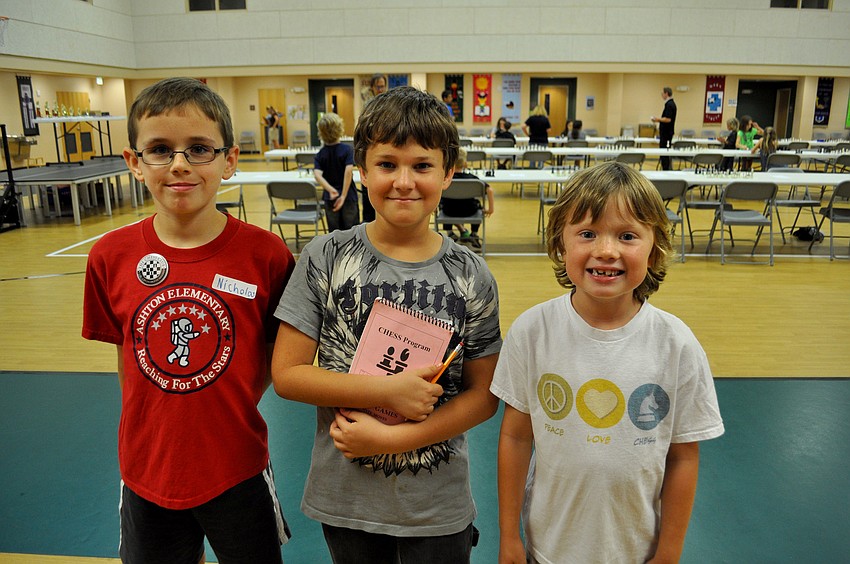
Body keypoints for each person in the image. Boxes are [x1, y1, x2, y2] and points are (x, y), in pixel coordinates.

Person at [271, 86, 502, 564]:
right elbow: (287, 375)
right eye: (387, 164)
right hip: (347, 497)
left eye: (422, 165)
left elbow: (483, 396)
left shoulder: (471, 274)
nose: (404, 181)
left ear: (449, 172)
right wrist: (386, 391)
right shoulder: (325, 256)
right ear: (361, 171)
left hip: (437, 504)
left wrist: (395, 436)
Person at [82, 77, 295, 562]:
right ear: (134, 162)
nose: (179, 164)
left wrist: (219, 415)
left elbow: (269, 359)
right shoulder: (109, 257)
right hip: (146, 469)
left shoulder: (267, 255)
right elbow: (128, 360)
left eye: (199, 148)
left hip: (237, 467)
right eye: (160, 149)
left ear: (229, 159)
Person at [491, 161, 724, 564]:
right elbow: (515, 437)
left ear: (654, 250)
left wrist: (669, 551)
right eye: (587, 233)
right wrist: (509, 535)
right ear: (561, 243)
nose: (606, 250)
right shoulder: (532, 332)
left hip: (636, 550)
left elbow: (684, 457)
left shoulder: (678, 346)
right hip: (548, 547)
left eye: (628, 235)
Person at [441, 147, 495, 249]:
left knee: (444, 202)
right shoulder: (473, 179)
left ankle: (450, 232)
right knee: (477, 204)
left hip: (449, 212)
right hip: (470, 211)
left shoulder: (445, 179)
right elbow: (490, 190)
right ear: (465, 164)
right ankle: (474, 233)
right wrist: (490, 209)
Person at [314, 112, 359, 231]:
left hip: (330, 198)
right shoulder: (347, 150)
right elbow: (348, 172)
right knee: (352, 231)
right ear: (340, 129)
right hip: (348, 196)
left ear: (321, 132)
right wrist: (343, 195)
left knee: (334, 232)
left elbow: (317, 175)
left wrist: (330, 189)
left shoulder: (321, 154)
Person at [651, 86, 677, 170]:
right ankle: (665, 168)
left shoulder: (669, 104)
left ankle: (666, 170)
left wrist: (657, 119)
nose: (661, 95)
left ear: (666, 93)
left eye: (662, 93)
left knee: (664, 152)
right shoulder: (670, 104)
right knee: (664, 152)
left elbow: (668, 119)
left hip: (666, 133)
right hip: (667, 133)